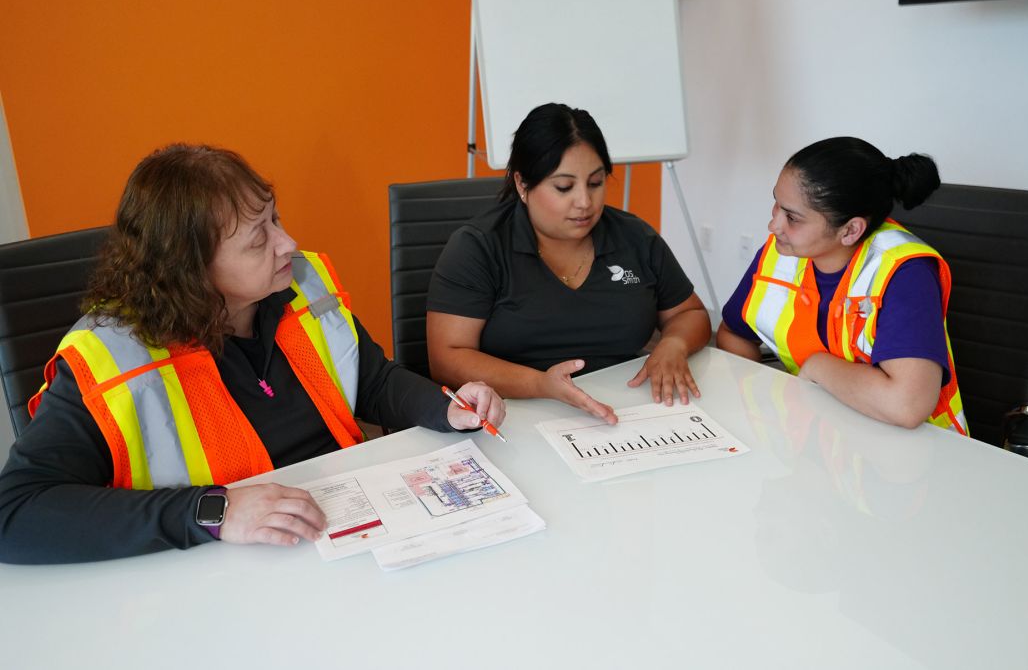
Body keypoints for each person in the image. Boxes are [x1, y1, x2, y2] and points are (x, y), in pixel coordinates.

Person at [0, 144, 505, 564]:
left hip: (344, 536)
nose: (288, 243)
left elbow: (372, 382)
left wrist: (446, 407)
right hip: (217, 574)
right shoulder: (112, 362)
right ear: (190, 269)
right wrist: (213, 511)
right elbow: (14, 513)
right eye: (258, 238)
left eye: (275, 219)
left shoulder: (301, 286)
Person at [426, 103, 711, 424]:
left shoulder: (634, 238)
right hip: (511, 414)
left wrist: (674, 343)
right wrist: (540, 384)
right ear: (522, 184)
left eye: (595, 182)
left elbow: (690, 313)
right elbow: (446, 356)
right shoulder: (479, 247)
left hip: (624, 411)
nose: (585, 203)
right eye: (564, 187)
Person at [716, 136, 967, 434]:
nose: (774, 225)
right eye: (777, 204)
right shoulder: (781, 252)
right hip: (819, 437)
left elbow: (907, 405)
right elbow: (733, 332)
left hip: (911, 457)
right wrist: (763, 405)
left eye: (792, 217)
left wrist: (818, 367)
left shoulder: (904, 272)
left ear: (850, 230)